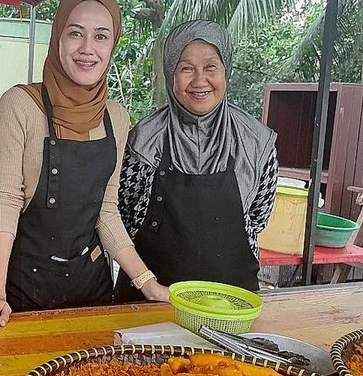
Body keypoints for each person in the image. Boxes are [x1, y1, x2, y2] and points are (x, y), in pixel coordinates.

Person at [0, 0, 169, 334]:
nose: (88, 48)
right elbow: (7, 198)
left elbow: (106, 210)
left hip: (92, 293)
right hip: (24, 293)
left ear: (112, 45)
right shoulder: (20, 104)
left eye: (101, 37)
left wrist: (148, 283)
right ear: (58, 36)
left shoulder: (116, 118)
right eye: (75, 33)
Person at [115, 20, 279, 299]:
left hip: (230, 306)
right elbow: (122, 215)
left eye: (211, 67)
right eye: (186, 68)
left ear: (226, 71)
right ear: (171, 73)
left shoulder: (257, 143)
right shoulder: (143, 139)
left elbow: (258, 217)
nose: (200, 80)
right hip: (149, 305)